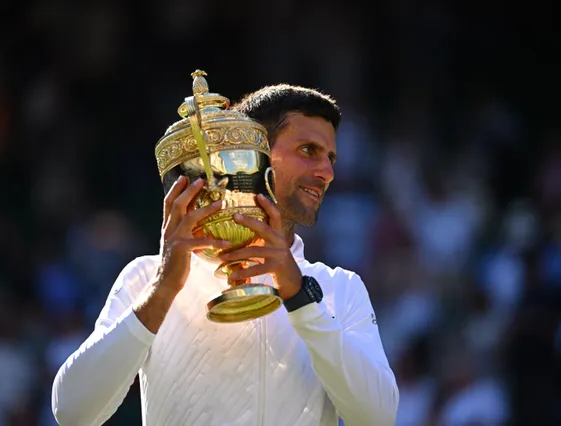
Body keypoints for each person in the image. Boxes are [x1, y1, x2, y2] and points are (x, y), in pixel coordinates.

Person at [51, 84, 399, 426]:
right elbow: (72, 412)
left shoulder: (340, 288)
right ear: (250, 156)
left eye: (330, 157)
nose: (327, 172)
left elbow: (377, 418)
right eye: (308, 150)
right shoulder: (146, 279)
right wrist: (163, 289)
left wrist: (301, 298)